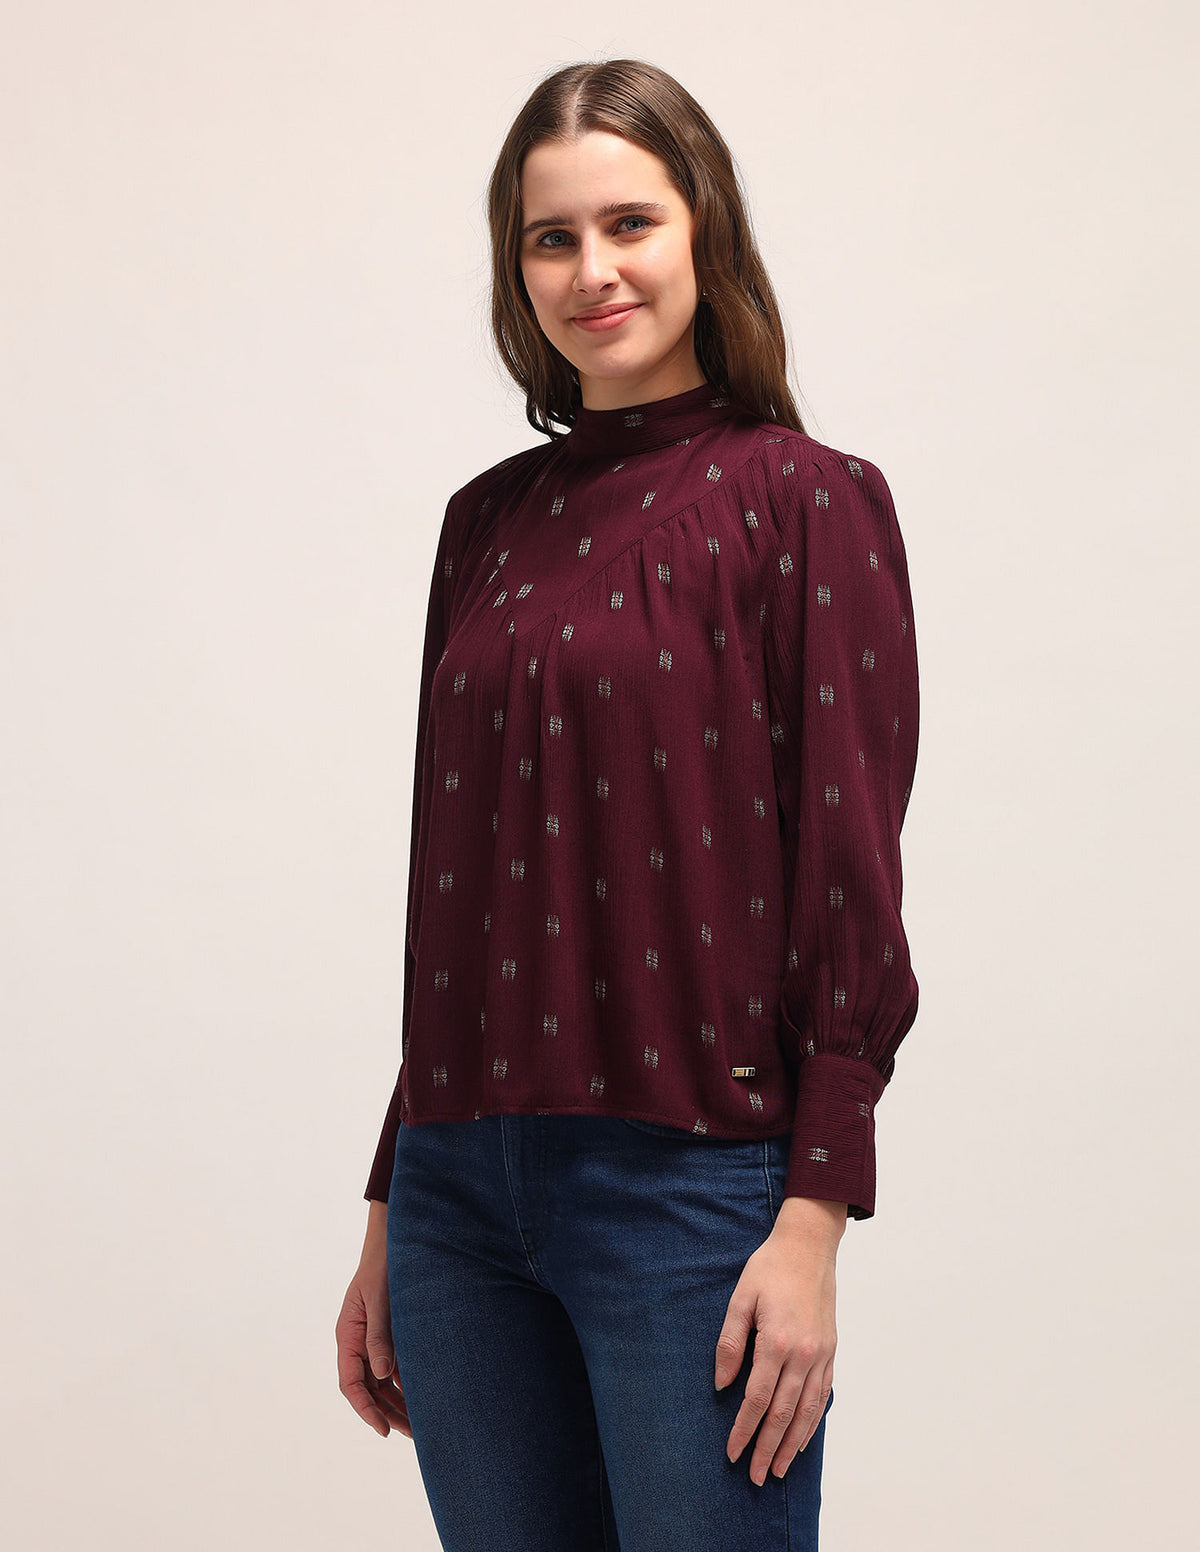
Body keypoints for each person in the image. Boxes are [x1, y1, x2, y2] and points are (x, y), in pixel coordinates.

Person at [335, 57, 921, 1552]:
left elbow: (850, 875)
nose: (592, 271)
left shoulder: (806, 500)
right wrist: (396, 1197)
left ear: (702, 230)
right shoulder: (485, 523)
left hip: (690, 1189)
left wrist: (815, 1219)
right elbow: (456, 883)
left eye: (630, 224)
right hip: (460, 1196)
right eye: (552, 238)